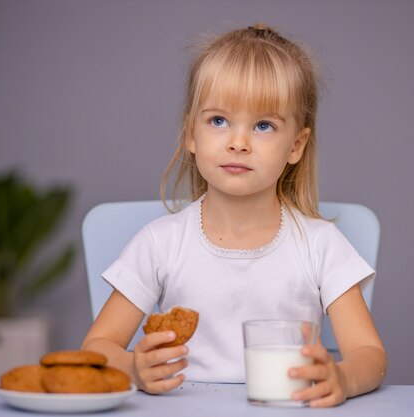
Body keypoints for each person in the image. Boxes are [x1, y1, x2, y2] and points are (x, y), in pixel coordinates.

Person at [82, 24, 387, 407]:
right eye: (218, 121)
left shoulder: (320, 244)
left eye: (263, 126)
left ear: (296, 145)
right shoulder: (160, 242)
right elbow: (97, 347)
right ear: (191, 134)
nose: (238, 143)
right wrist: (132, 369)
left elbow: (369, 355)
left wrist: (341, 376)